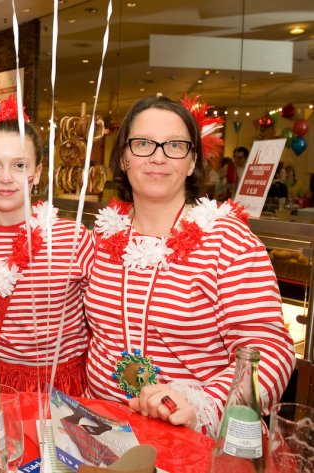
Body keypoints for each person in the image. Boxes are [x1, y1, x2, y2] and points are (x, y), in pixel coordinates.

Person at [84, 95, 295, 438]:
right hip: (99, 429)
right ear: (123, 157)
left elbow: (270, 351)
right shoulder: (102, 235)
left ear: (192, 160)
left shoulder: (228, 241)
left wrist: (203, 405)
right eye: (143, 143)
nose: (158, 157)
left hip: (192, 439)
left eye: (175, 145)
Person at [0, 95, 93, 396]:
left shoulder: (73, 238)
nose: (6, 178)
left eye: (20, 165)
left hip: (61, 389)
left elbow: (105, 322)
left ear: (37, 172)